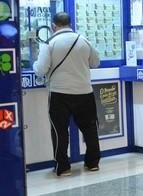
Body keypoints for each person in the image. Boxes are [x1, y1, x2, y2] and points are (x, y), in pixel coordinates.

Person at [34, 12, 100, 176]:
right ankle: (92, 163)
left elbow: (41, 70)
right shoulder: (84, 40)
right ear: (71, 24)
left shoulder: (50, 43)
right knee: (90, 129)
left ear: (53, 26)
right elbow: (95, 63)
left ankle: (63, 167)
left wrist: (35, 64)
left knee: (60, 131)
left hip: (59, 93)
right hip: (85, 92)